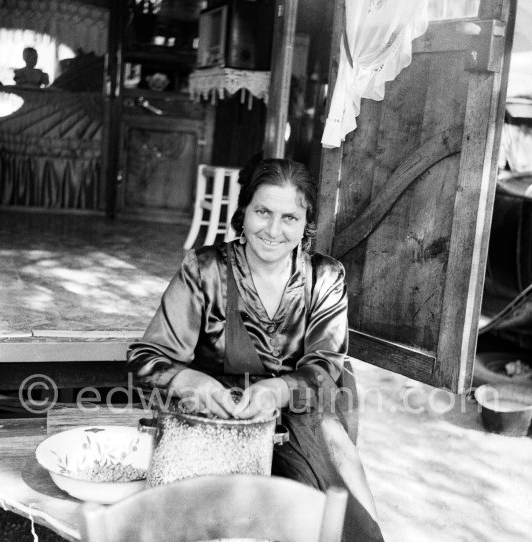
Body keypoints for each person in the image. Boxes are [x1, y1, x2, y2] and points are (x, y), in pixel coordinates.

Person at [128, 158, 385, 541]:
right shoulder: (205, 270)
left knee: (325, 514)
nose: (274, 230)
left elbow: (324, 365)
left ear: (305, 224)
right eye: (263, 212)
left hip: (297, 413)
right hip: (215, 416)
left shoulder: (324, 277)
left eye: (290, 218)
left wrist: (278, 390)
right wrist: (189, 380)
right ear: (243, 211)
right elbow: (145, 359)